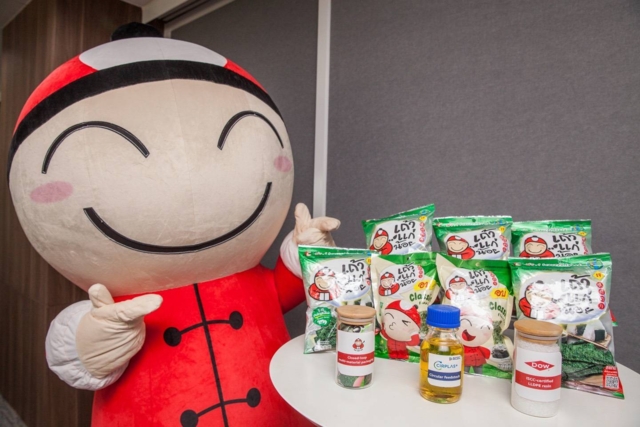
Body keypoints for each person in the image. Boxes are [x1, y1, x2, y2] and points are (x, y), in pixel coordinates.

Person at [7, 23, 340, 427]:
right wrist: (96, 341)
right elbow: (83, 361)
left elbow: (279, 294)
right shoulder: (119, 304)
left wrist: (306, 254)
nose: (191, 183)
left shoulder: (248, 276)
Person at [456, 308, 493, 374]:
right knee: (465, 371)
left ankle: (479, 376)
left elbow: (485, 352)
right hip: (466, 361)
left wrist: (489, 354)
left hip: (478, 361)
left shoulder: (478, 347)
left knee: (479, 372)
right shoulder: (461, 347)